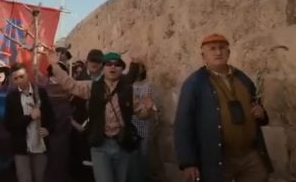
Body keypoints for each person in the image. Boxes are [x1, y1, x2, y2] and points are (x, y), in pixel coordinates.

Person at [174, 34, 273, 182]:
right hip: (218, 158)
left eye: (222, 48)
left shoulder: (243, 78)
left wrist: (262, 114)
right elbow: (183, 124)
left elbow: (257, 109)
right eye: (212, 49)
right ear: (203, 56)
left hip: (250, 155)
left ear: (229, 52)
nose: (218, 52)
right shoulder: (194, 83)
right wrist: (188, 162)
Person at [48, 51, 152, 182]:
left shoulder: (128, 92)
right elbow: (71, 85)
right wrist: (54, 65)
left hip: (122, 146)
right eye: (109, 64)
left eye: (117, 64)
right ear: (104, 67)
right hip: (100, 146)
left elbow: (142, 115)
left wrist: (148, 110)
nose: (113, 67)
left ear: (121, 69)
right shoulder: (92, 88)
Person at [4, 63, 55, 182]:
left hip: (40, 145)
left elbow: (51, 117)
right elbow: (9, 125)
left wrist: (48, 129)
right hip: (21, 148)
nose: (19, 80)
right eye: (16, 78)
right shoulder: (11, 98)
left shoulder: (40, 93)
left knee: (40, 178)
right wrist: (29, 117)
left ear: (27, 75)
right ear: (12, 80)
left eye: (21, 76)